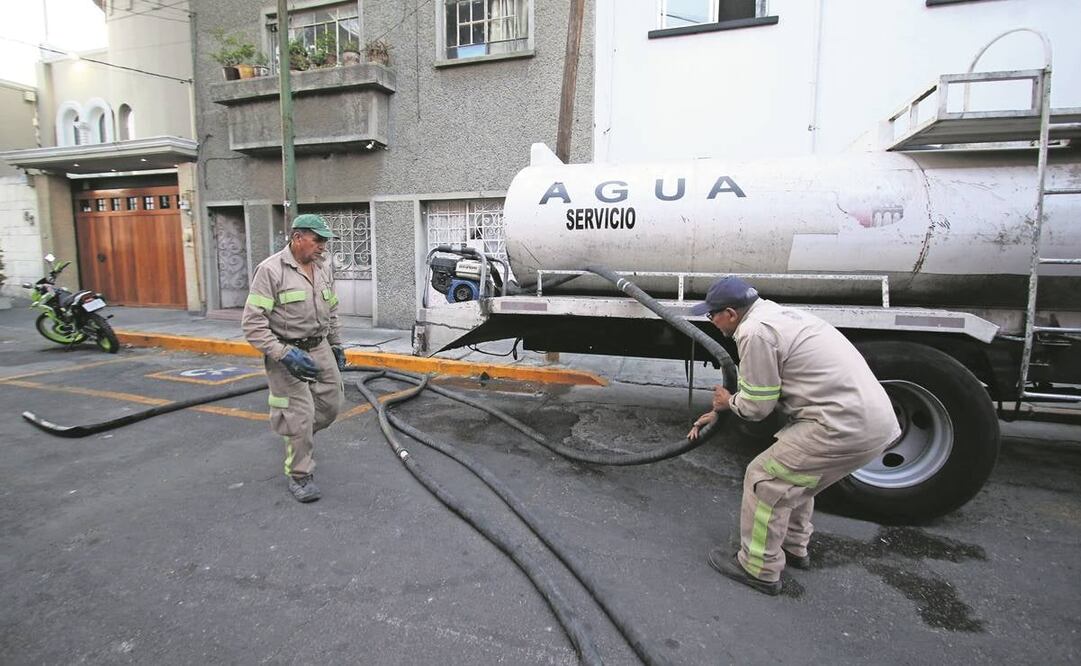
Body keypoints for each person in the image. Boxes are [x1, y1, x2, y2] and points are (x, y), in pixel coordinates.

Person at [687, 276, 900, 595]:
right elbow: (765, 386)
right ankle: (792, 547)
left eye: (712, 315)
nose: (712, 322)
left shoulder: (755, 332)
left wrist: (728, 402)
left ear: (730, 313)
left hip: (841, 424)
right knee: (796, 479)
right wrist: (724, 409)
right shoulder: (778, 315)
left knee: (765, 479)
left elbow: (758, 407)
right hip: (872, 421)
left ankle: (758, 567)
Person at [242, 214, 347, 503]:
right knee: (300, 415)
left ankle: (298, 435)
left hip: (320, 346)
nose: (323, 246)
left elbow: (332, 310)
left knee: (331, 405)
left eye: (325, 241)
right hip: (287, 351)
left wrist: (336, 345)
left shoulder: (322, 268)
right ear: (298, 237)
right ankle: (300, 475)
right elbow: (252, 325)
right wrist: (284, 354)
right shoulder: (271, 271)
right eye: (318, 239)